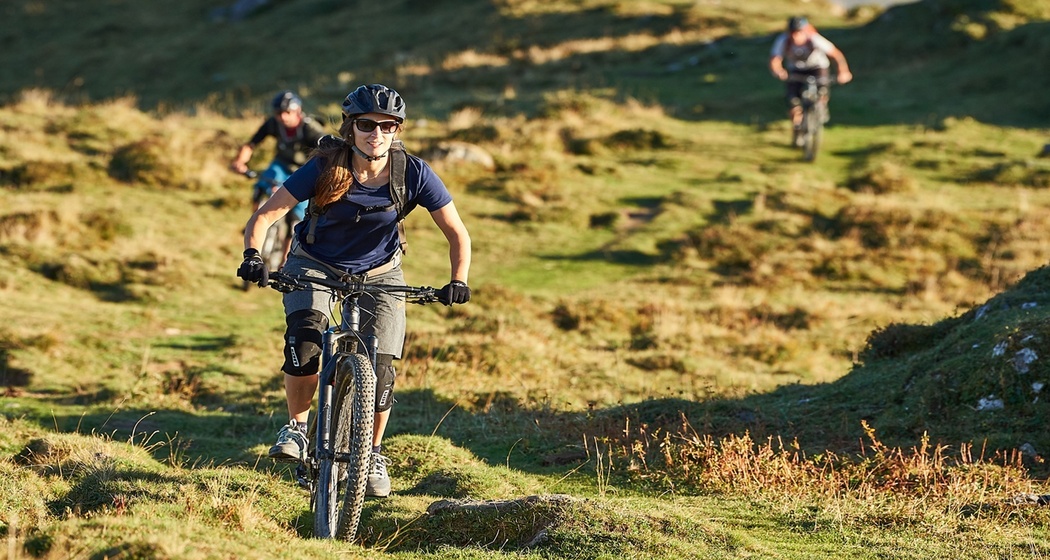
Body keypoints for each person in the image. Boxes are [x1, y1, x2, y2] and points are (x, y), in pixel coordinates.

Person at [236, 83, 472, 498]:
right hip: (314, 263)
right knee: (305, 340)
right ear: (351, 127)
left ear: (397, 130)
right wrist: (254, 255)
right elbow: (265, 216)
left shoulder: (413, 173)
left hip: (380, 273)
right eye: (366, 124)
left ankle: (372, 452)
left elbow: (456, 232)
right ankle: (296, 429)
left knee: (381, 369)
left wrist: (459, 280)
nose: (376, 133)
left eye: (387, 125)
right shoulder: (326, 165)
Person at [230, 90, 326, 263]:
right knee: (261, 184)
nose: (283, 117)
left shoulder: (309, 128)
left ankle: (284, 262)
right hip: (280, 165)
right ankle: (254, 221)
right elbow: (252, 143)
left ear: (297, 111)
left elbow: (327, 151)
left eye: (287, 112)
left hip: (302, 170)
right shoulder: (273, 124)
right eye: (278, 113)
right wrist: (240, 162)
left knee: (296, 217)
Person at [769, 16, 853, 146]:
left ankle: (821, 106)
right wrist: (778, 71)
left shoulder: (814, 39)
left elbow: (836, 54)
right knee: (793, 101)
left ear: (805, 31)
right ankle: (797, 128)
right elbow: (775, 58)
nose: (796, 36)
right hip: (795, 70)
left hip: (817, 67)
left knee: (822, 89)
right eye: (793, 33)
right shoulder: (783, 41)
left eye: (799, 32)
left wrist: (843, 72)